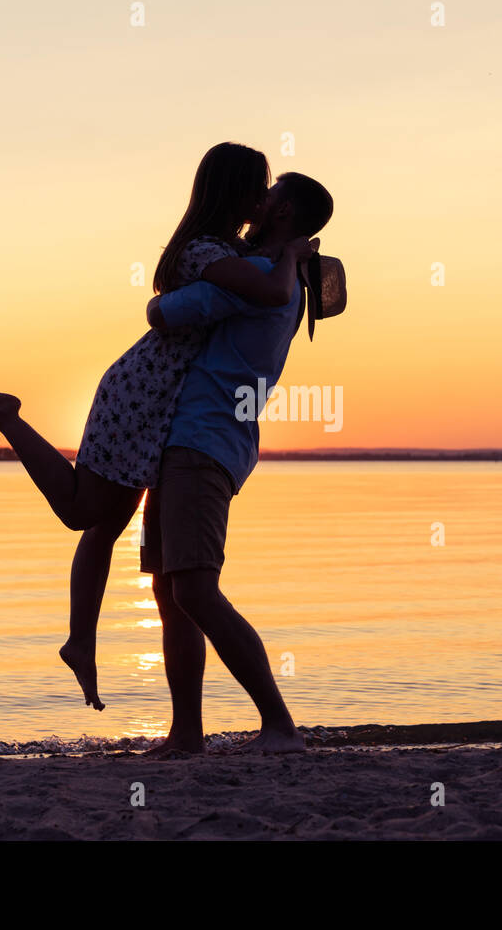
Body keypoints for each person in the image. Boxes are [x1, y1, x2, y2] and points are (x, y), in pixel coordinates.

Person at [0, 142, 315, 710]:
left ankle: (84, 645)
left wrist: (292, 256)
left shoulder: (235, 253)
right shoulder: (211, 253)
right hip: (146, 392)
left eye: (271, 190)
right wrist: (293, 256)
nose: (264, 197)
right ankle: (10, 421)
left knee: (109, 525)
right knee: (84, 512)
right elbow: (215, 299)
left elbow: (251, 289)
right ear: (235, 191)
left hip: (166, 403)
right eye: (258, 186)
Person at [140, 171, 335, 756]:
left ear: (281, 215)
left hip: (203, 443)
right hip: (191, 442)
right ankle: (187, 733)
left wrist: (156, 295)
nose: (257, 202)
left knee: (195, 591)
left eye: (268, 197)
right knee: (170, 591)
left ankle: (279, 724)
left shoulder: (257, 278)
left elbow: (165, 313)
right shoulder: (276, 277)